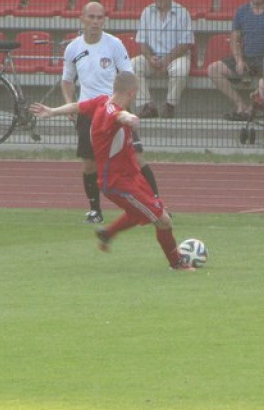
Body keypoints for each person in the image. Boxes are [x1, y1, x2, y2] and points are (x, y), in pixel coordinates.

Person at [31, 71, 192, 270]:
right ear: (132, 93)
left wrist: (52, 111)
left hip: (132, 177)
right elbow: (119, 115)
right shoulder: (111, 111)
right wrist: (130, 117)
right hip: (117, 182)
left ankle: (107, 234)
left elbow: (77, 106)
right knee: (163, 220)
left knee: (141, 214)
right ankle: (177, 263)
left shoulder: (101, 101)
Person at [55, 1, 159, 224]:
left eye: (99, 17)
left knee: (137, 158)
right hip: (89, 113)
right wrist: (68, 103)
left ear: (104, 20)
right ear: (82, 18)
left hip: (114, 111)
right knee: (90, 163)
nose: (95, 22)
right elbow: (67, 81)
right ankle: (95, 210)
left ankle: (157, 203)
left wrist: (125, 103)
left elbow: (128, 75)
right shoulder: (73, 48)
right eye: (91, 17)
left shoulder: (114, 45)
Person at [130, 0, 195, 120]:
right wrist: (150, 58)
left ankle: (170, 105)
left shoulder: (182, 12)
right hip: (153, 57)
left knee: (181, 69)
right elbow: (142, 42)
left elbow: (186, 44)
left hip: (177, 56)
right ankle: (147, 105)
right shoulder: (146, 12)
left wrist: (166, 60)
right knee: (132, 65)